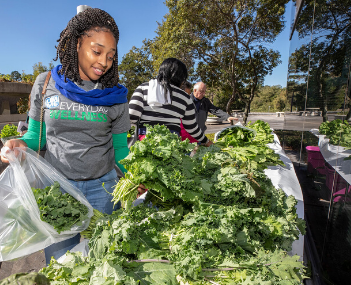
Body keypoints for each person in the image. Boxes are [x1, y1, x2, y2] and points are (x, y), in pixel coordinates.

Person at [0, 8, 130, 264]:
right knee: (60, 268)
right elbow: (36, 137)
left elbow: (120, 149)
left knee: (104, 265)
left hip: (102, 191)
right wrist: (17, 145)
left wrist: (137, 178)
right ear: (77, 43)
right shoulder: (46, 82)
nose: (104, 62)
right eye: (97, 51)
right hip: (57, 192)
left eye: (111, 56)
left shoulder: (115, 95)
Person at [129, 58, 212, 146]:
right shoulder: (185, 98)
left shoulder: (144, 88)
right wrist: (206, 141)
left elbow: (131, 117)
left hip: (145, 142)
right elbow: (192, 128)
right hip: (172, 145)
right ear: (181, 78)